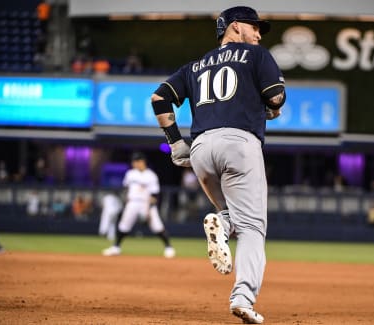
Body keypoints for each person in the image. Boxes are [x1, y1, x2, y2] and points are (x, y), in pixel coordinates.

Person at [151, 6, 285, 324]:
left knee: (233, 215)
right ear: (235, 27)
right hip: (239, 144)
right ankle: (243, 297)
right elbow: (276, 97)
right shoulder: (257, 56)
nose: (258, 34)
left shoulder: (195, 66)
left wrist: (174, 142)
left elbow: (159, 98)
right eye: (254, 27)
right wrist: (268, 107)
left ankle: (222, 224)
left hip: (201, 149)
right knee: (253, 227)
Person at [102, 152, 176, 258]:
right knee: (123, 225)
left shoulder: (151, 175)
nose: (135, 164)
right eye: (134, 162)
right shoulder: (130, 174)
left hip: (146, 203)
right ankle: (116, 247)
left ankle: (169, 248)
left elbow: (154, 195)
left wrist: (148, 210)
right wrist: (126, 202)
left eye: (137, 161)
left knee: (157, 226)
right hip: (132, 203)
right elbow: (126, 189)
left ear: (142, 161)